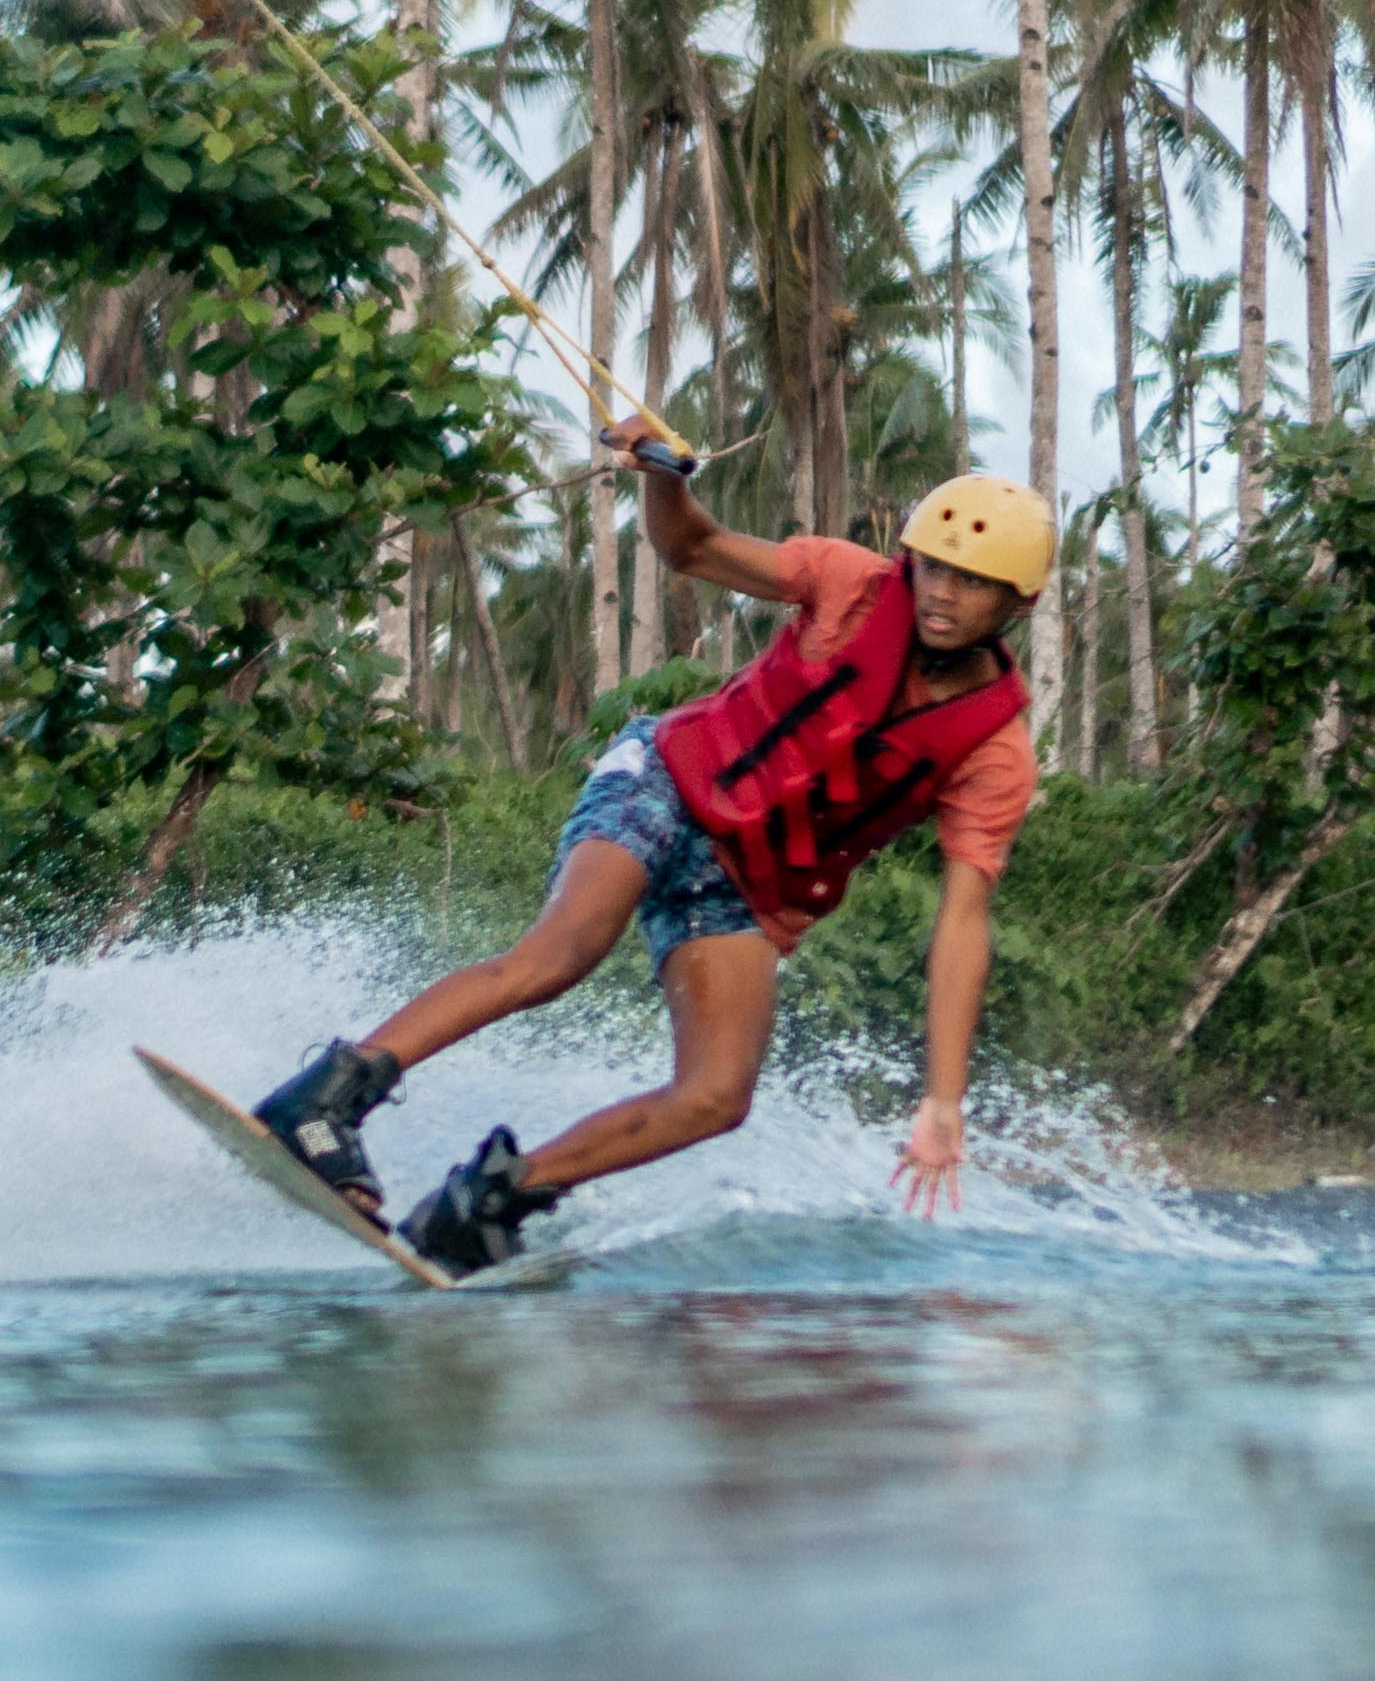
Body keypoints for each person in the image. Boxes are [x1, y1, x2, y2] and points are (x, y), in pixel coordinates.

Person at [249, 427, 1049, 1276]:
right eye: (935, 566)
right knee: (562, 952)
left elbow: (963, 924)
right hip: (666, 780)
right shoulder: (851, 583)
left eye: (973, 582)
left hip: (747, 887)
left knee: (715, 1096)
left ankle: (491, 1198)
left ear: (1017, 604)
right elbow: (690, 546)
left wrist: (943, 1099)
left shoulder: (995, 751)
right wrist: (664, 478)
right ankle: (325, 1099)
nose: (943, 594)